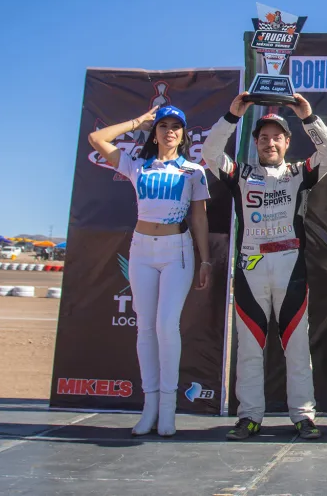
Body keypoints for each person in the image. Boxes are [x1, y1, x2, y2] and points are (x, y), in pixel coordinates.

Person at [202, 93, 327, 441]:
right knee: (249, 351)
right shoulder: (241, 174)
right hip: (251, 271)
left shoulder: (298, 173)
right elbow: (210, 153)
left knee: (297, 348)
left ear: (287, 142)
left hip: (290, 271)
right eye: (264, 137)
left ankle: (303, 416)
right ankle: (249, 417)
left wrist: (308, 117)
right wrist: (231, 116)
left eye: (277, 137)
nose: (270, 143)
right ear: (256, 143)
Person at [88, 104, 212, 437]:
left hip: (177, 250)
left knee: (166, 325)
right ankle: (150, 407)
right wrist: (136, 121)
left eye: (176, 127)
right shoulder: (137, 165)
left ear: (183, 135)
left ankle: (168, 409)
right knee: (145, 327)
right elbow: (96, 139)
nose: (169, 131)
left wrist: (205, 260)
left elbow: (200, 218)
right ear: (154, 133)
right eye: (163, 126)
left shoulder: (193, 171)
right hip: (141, 249)